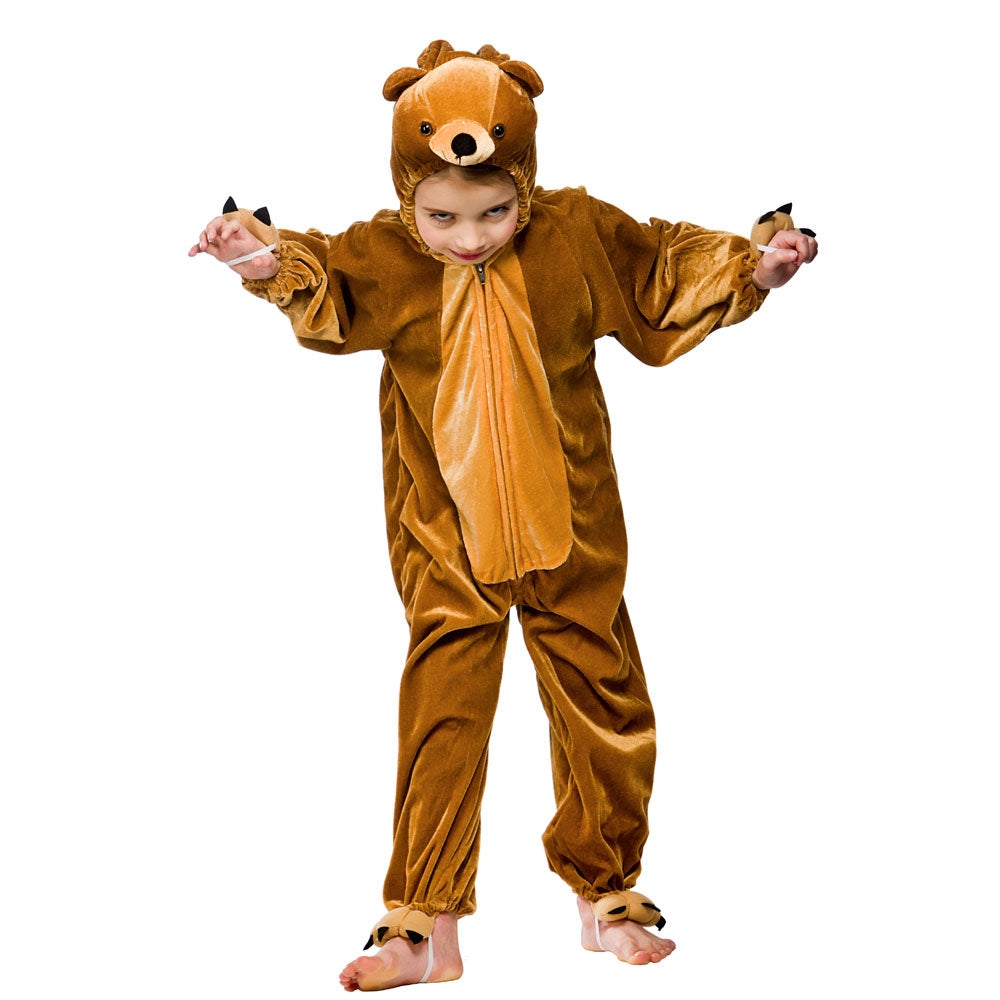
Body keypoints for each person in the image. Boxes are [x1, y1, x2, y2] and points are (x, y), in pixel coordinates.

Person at [189, 41, 817, 993]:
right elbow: (322, 282)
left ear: (524, 181)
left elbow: (660, 270)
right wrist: (259, 261)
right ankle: (422, 923)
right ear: (408, 194)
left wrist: (756, 270)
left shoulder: (573, 235)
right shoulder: (387, 254)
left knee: (604, 697)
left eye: (495, 212)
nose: (469, 237)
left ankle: (607, 891)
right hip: (446, 537)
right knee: (443, 712)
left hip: (574, 525)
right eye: (441, 216)